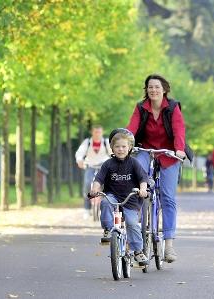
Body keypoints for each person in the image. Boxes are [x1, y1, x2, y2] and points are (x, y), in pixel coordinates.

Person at [126, 74, 187, 263]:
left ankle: (168, 245)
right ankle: (135, 232)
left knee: (168, 197)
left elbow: (179, 130)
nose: (153, 90)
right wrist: (125, 143)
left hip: (169, 152)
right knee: (137, 185)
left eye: (157, 87)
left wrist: (179, 149)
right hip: (146, 149)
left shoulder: (172, 107)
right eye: (150, 87)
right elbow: (131, 129)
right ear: (146, 90)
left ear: (164, 89)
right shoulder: (141, 108)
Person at [89, 128, 149, 265]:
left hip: (131, 199)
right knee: (104, 203)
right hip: (113, 196)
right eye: (117, 146)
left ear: (129, 148)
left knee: (132, 223)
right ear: (112, 148)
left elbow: (142, 179)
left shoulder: (134, 163)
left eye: (123, 146)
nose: (120, 149)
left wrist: (143, 189)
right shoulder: (108, 164)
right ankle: (108, 229)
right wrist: (95, 189)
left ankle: (138, 251)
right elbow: (99, 179)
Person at [75, 125, 112, 219]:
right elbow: (80, 152)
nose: (97, 134)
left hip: (103, 166)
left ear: (102, 132)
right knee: (87, 184)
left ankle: (103, 207)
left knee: (106, 185)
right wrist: (79, 160)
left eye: (99, 132)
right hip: (90, 165)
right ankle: (87, 209)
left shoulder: (106, 142)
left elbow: (112, 152)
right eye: (95, 132)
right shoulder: (87, 142)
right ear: (92, 132)